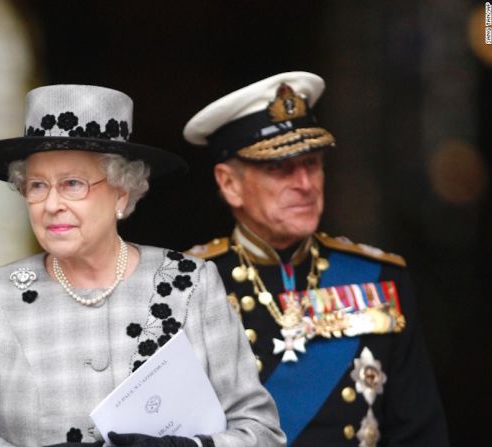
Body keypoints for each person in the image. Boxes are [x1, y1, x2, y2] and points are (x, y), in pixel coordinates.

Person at [0, 84, 285, 447]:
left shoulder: (192, 284)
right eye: (37, 186)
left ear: (121, 194)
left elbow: (261, 432)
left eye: (73, 184)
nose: (51, 204)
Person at [182, 72, 449, 446]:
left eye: (312, 163)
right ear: (229, 184)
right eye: (279, 168)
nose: (305, 184)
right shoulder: (185, 286)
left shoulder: (378, 278)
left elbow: (418, 433)